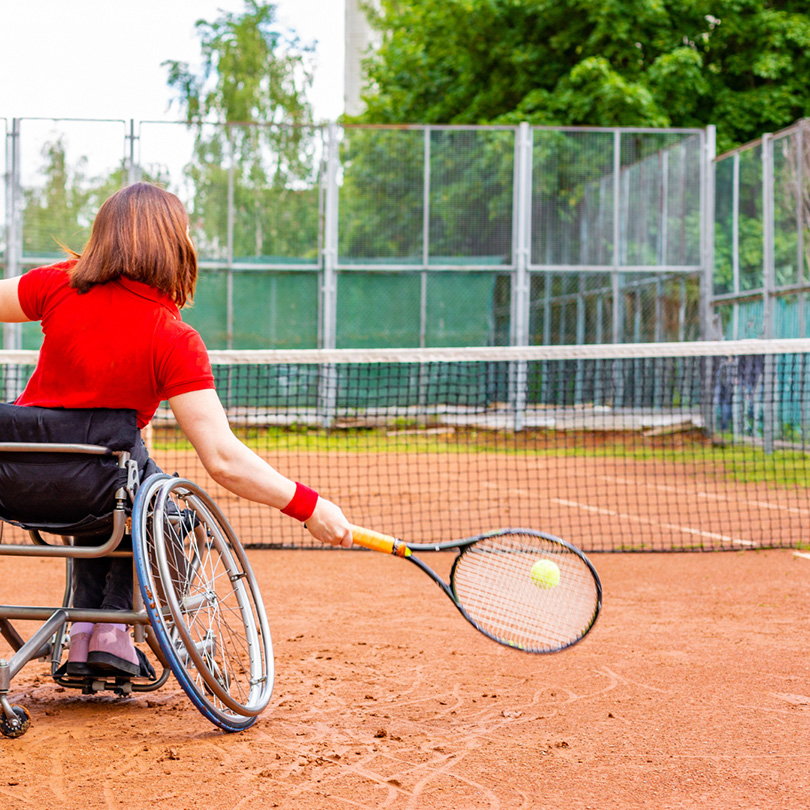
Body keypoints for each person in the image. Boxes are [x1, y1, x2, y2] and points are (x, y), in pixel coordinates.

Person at [0, 181, 353, 677]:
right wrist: (309, 505)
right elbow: (223, 459)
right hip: (99, 489)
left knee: (117, 490)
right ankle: (110, 631)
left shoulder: (57, 284)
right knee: (157, 505)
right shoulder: (172, 337)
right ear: (173, 244)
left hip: (17, 483)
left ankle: (84, 633)